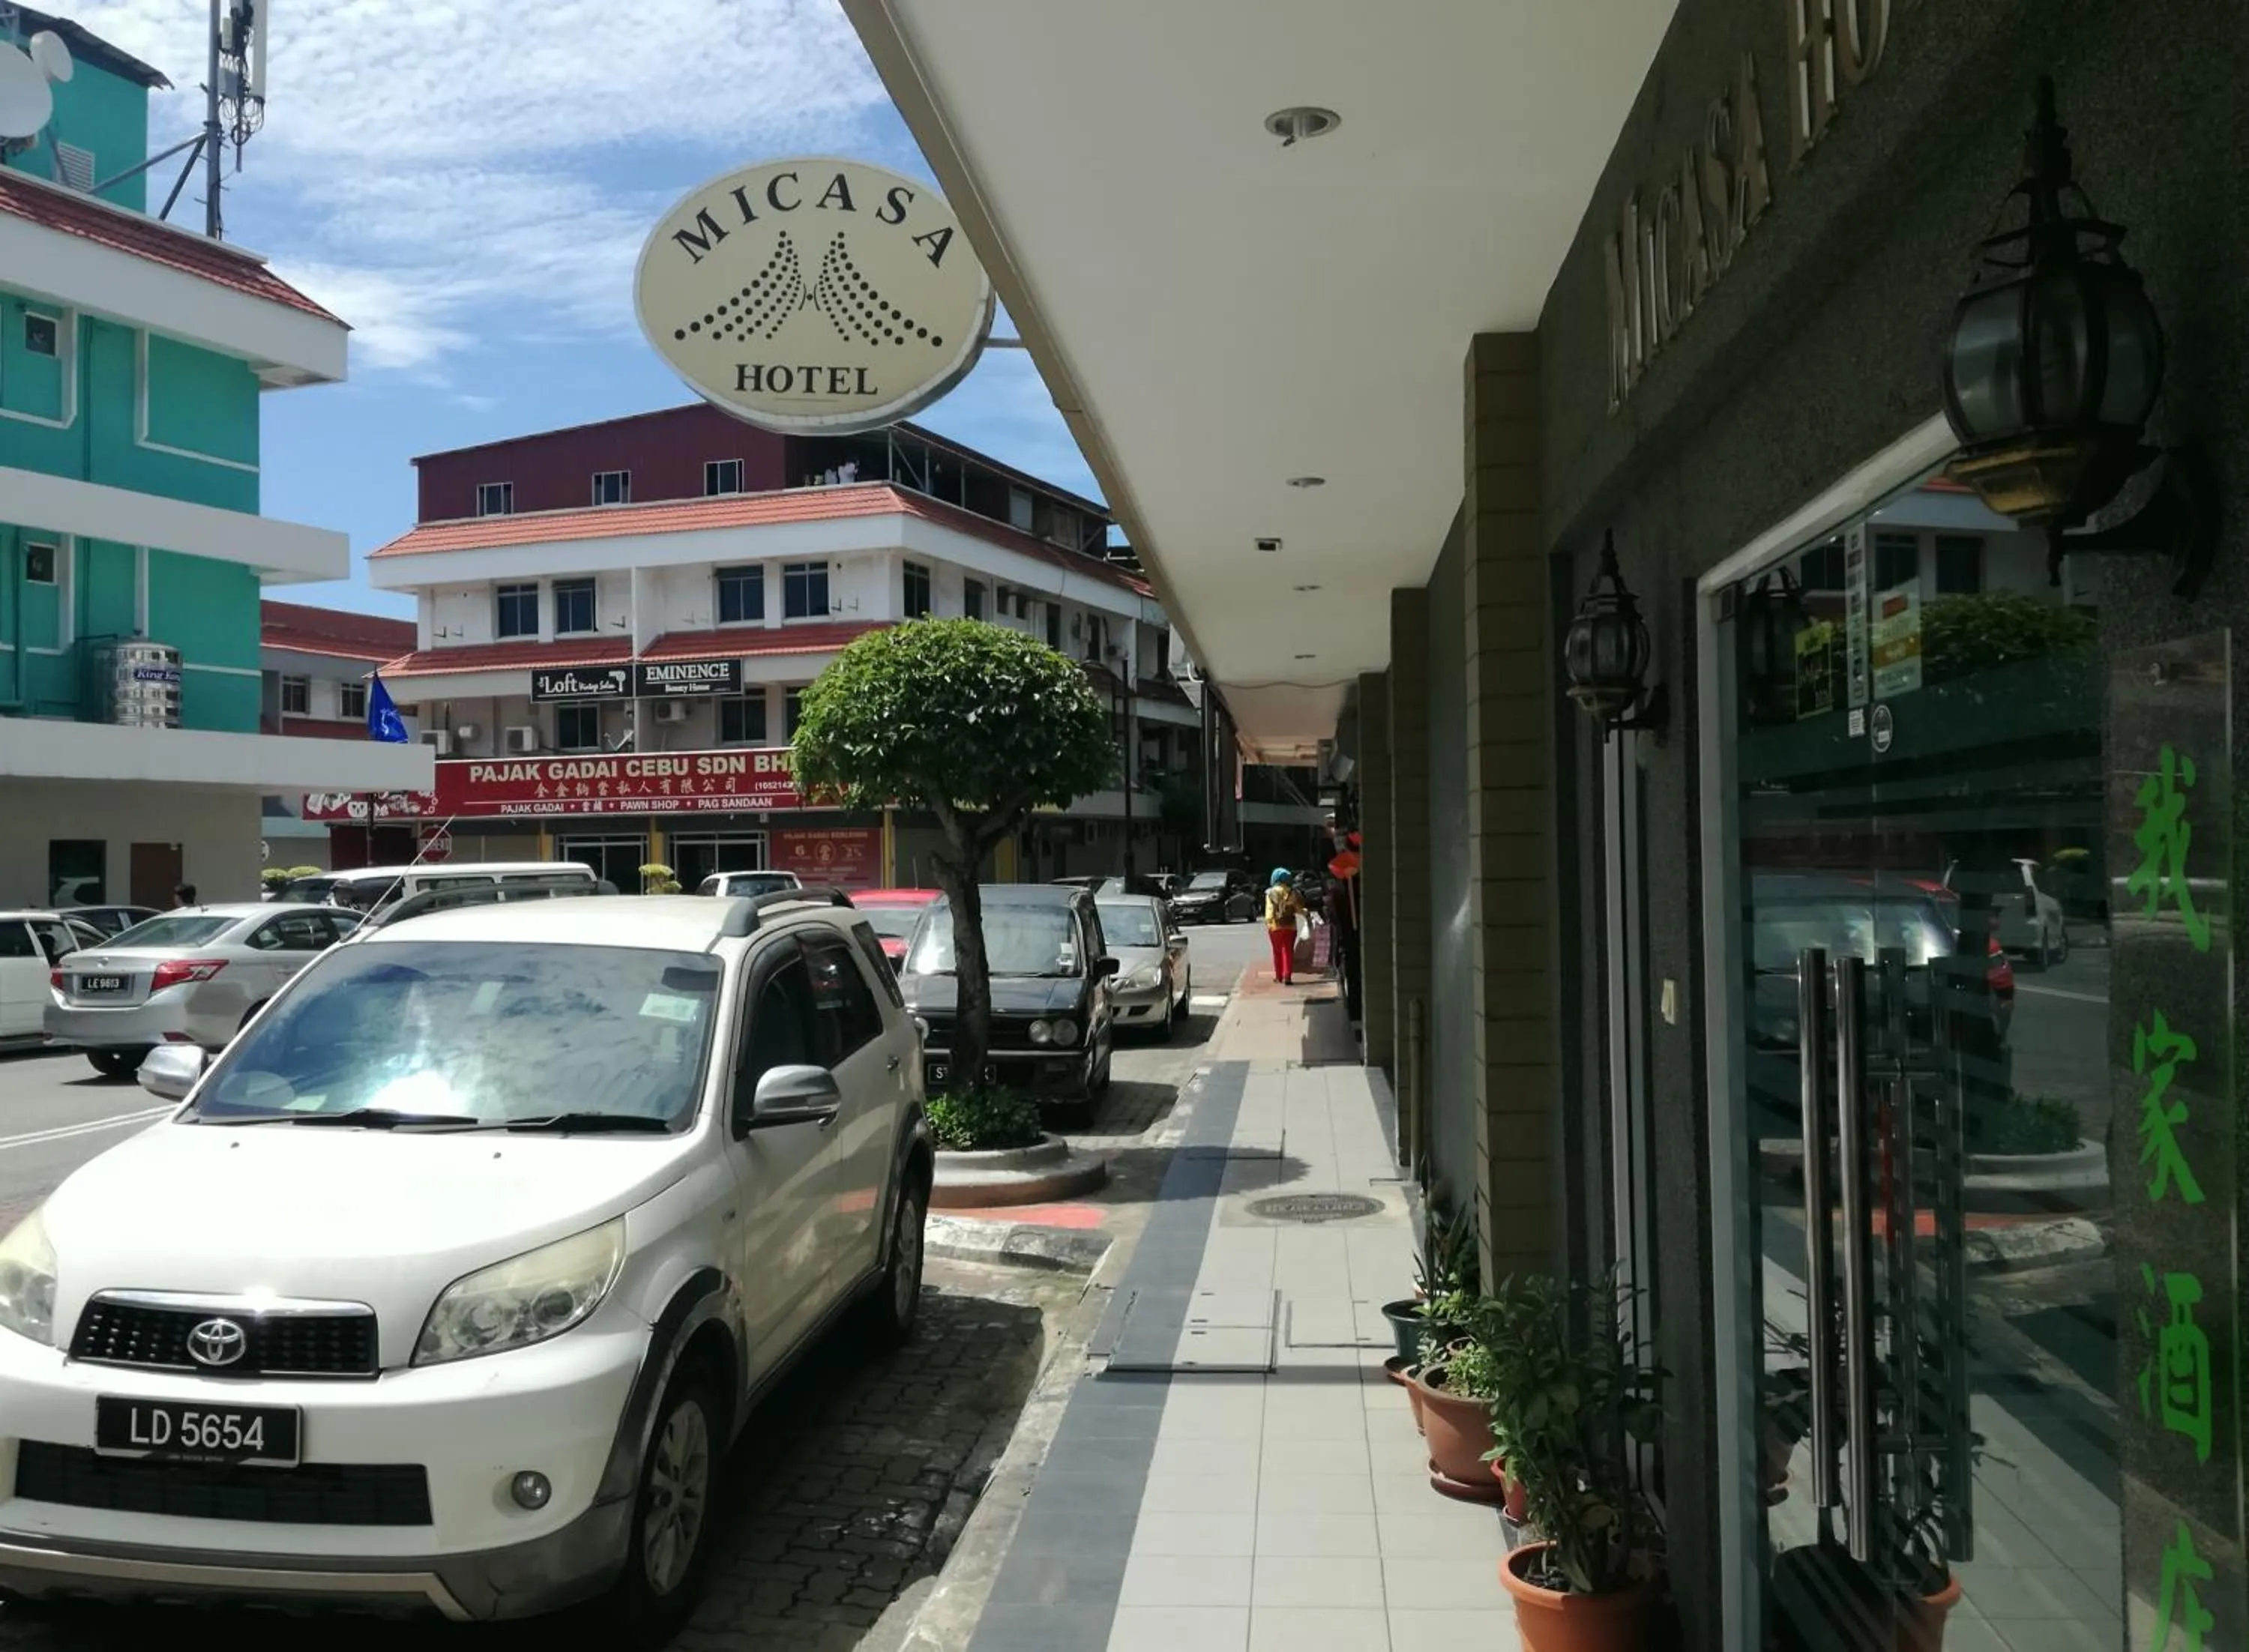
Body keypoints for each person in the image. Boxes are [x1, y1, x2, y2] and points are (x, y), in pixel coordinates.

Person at [1262, 868, 1304, 986]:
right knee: (1288, 951)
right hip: (1291, 926)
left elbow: (1269, 910)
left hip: (1275, 926)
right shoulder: (1292, 892)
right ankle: (1288, 976)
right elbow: (1298, 909)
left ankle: (1279, 976)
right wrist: (1305, 913)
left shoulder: (1270, 893)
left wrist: (1269, 922)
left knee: (1277, 951)